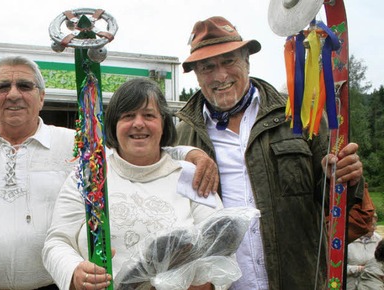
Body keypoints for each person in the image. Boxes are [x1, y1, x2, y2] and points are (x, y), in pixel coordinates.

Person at [0, 56, 218, 289]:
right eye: (3, 87)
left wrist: (189, 154)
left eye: (149, 115)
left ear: (42, 97)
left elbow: (219, 243)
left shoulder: (78, 148)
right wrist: (75, 272)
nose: (14, 94)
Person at [174, 16, 365, 289]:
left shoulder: (299, 116)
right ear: (196, 73)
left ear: (247, 61)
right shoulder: (184, 135)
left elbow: (334, 197)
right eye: (207, 67)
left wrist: (348, 177)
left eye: (229, 61)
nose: (220, 75)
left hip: (298, 282)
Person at [42, 78, 227, 290]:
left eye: (149, 115)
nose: (138, 123)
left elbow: (221, 249)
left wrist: (201, 285)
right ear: (113, 125)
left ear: (164, 123)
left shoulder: (190, 176)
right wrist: (74, 272)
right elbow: (56, 242)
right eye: (128, 116)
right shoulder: (88, 176)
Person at [347, 214, 383, 290]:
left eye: (375, 224)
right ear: (361, 225)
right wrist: (358, 268)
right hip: (349, 285)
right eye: (371, 225)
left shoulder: (378, 239)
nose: (374, 228)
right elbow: (335, 267)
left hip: (373, 285)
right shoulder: (346, 240)